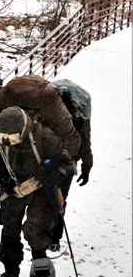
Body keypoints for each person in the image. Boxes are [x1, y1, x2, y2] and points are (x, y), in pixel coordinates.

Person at [0, 106, 73, 277]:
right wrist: (3, 174)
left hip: (41, 187)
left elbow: (67, 163)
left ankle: (40, 260)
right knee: (9, 228)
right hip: (14, 186)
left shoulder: (44, 136)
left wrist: (55, 175)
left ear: (23, 131)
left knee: (35, 229)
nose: (8, 141)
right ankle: (10, 272)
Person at [48, 79, 93, 252]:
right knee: (60, 199)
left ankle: (49, 234)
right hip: (68, 162)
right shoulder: (79, 117)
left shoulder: (51, 113)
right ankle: (54, 237)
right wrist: (87, 166)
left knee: (52, 198)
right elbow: (85, 143)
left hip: (53, 160)